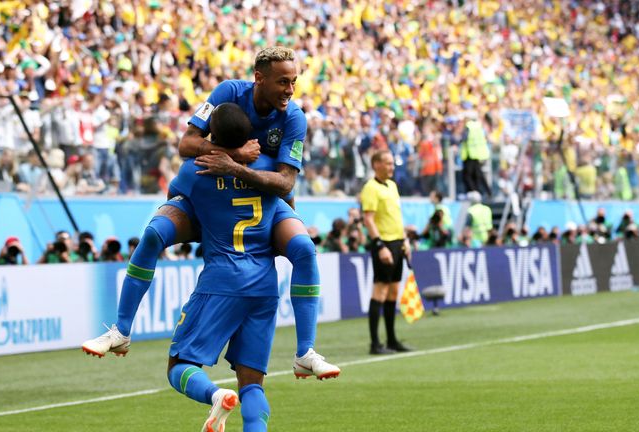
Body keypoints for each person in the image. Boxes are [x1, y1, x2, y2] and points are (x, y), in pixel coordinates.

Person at [82, 47, 339, 379]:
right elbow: (186, 144)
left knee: (304, 249)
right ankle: (121, 331)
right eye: (283, 82)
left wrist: (234, 167)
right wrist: (233, 154)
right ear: (259, 78)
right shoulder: (228, 93)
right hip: (205, 198)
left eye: (294, 81)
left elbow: (286, 181)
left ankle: (305, 352)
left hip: (262, 201)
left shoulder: (294, 117)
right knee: (153, 234)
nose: (290, 90)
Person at [165, 103, 285, 432]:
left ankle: (216, 395)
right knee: (253, 385)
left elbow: (174, 204)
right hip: (264, 284)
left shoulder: (196, 169)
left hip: (222, 278)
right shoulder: (268, 168)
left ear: (211, 135)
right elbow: (287, 201)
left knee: (179, 366)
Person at [361, 150, 412, 355]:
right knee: (380, 291)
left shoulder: (392, 185)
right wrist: (379, 245)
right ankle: (375, 343)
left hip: (397, 242)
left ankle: (391, 339)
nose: (392, 167)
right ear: (376, 165)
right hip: (384, 244)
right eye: (388, 163)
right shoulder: (370, 188)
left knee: (393, 291)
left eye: (393, 163)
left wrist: (405, 240)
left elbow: (396, 217)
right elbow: (369, 219)